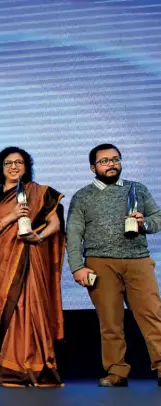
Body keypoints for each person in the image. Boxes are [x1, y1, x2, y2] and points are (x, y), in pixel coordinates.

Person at [67, 143, 161, 387]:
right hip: (100, 263)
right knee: (110, 321)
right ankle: (117, 372)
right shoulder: (83, 196)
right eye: (104, 161)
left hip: (138, 260)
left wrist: (144, 223)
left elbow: (157, 218)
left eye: (115, 159)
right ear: (92, 167)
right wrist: (77, 267)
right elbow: (74, 233)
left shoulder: (137, 189)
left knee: (153, 316)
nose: (111, 164)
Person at [0, 146, 65, 387]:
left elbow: (55, 224)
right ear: (1, 168)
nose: (14, 166)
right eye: (8, 163)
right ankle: (13, 369)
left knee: (35, 308)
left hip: (33, 258)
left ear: (27, 167)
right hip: (5, 264)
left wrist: (38, 238)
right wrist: (12, 216)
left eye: (19, 162)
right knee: (12, 309)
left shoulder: (39, 193)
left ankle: (39, 367)